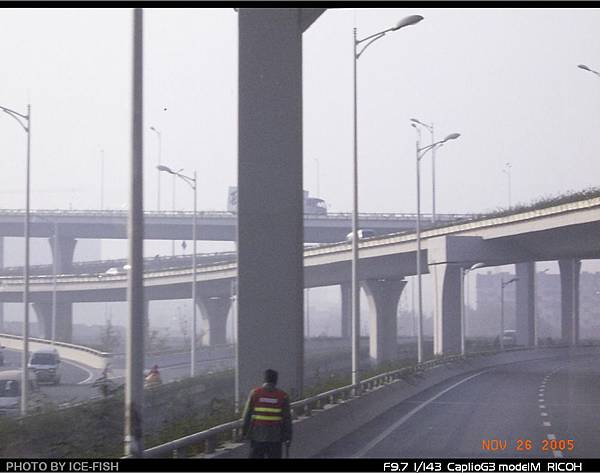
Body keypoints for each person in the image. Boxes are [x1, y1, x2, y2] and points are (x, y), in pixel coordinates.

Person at [241, 368, 292, 458]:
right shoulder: (283, 396)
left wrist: (244, 432)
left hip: (257, 437)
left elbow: (246, 416)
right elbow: (287, 419)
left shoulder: (255, 393)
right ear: (276, 381)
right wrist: (288, 437)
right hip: (275, 438)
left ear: (264, 380)